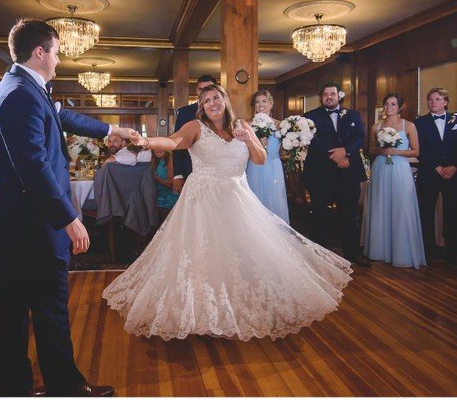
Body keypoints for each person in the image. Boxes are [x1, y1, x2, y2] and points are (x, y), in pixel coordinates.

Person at [103, 84, 352, 341]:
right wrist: (146, 141)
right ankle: (202, 311)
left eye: (216, 98)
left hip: (237, 196)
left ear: (225, 100)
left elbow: (260, 158)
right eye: (206, 100)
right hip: (203, 199)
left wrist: (247, 140)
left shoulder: (242, 125)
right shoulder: (195, 127)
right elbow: (173, 141)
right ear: (202, 106)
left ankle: (241, 304)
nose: (212, 103)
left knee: (242, 252)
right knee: (203, 255)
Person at [0, 18, 135, 397]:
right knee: (48, 307)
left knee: (15, 309)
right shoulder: (18, 96)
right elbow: (32, 166)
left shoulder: (24, 87)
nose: (60, 61)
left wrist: (113, 131)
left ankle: (13, 391)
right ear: (40, 52)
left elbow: (63, 116)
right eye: (57, 53)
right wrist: (69, 218)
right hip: (27, 224)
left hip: (18, 221)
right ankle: (65, 390)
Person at [302, 82, 371, 267]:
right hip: (320, 174)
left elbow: (359, 138)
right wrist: (336, 155)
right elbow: (312, 140)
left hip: (348, 174)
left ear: (339, 96)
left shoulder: (354, 115)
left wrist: (346, 151)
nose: (329, 97)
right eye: (325, 94)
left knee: (349, 215)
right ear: (321, 97)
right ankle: (319, 255)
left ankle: (352, 253)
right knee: (320, 216)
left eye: (332, 93)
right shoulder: (309, 117)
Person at [361, 94, 425, 268]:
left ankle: (401, 250)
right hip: (381, 167)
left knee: (401, 205)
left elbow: (416, 151)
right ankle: (379, 249)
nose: (389, 107)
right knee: (380, 205)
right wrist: (380, 150)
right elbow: (371, 150)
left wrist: (397, 152)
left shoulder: (409, 125)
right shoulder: (376, 127)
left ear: (400, 106)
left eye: (393, 104)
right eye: (386, 103)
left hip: (400, 168)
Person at [414, 87, 457, 263]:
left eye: (437, 99)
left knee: (453, 210)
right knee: (426, 211)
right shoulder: (420, 123)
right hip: (429, 173)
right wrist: (436, 167)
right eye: (430, 99)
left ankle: (452, 249)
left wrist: (454, 166)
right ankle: (428, 250)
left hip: (453, 173)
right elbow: (419, 149)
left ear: (445, 102)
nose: (433, 102)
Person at [246, 90, 289, 224]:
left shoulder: (281, 125)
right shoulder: (247, 124)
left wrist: (291, 144)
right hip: (254, 166)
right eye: (257, 102)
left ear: (271, 104)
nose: (260, 105)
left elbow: (283, 153)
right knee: (255, 201)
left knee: (274, 200)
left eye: (264, 101)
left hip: (273, 167)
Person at [172, 75, 217, 193]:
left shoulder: (221, 110)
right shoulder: (184, 112)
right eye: (201, 89)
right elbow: (177, 143)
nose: (204, 92)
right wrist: (178, 174)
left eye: (208, 88)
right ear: (196, 90)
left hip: (218, 170)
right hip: (190, 169)